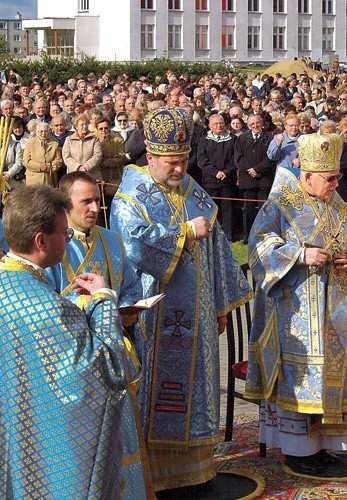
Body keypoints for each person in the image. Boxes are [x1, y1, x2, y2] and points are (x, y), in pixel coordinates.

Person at [109, 107, 253, 493]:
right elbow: (135, 246)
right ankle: (159, 477)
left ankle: (198, 473)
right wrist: (184, 232)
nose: (179, 168)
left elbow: (219, 246)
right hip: (156, 315)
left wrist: (221, 304)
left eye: (184, 159)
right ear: (151, 157)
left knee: (198, 389)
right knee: (160, 392)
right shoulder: (129, 198)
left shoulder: (193, 190)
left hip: (200, 314)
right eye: (172, 162)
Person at [244, 132, 347, 476]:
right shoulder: (281, 203)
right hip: (295, 315)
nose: (336, 183)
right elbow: (257, 249)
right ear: (307, 177)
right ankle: (298, 451)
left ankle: (325, 449)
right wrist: (299, 255)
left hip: (335, 313)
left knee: (331, 380)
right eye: (329, 178)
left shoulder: (336, 204)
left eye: (337, 177)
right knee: (303, 382)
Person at [0, 185, 136, 498]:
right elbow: (107, 372)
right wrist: (103, 299)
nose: (69, 238)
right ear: (41, 240)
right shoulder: (50, 309)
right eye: (65, 233)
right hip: (47, 450)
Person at [46, 172, 153, 498]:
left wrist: (129, 310)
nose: (94, 207)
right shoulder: (53, 247)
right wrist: (100, 308)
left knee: (126, 445)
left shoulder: (111, 240)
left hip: (117, 358)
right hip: (78, 367)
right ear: (66, 205)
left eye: (97, 200)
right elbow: (50, 305)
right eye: (86, 201)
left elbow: (130, 287)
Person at [235, 113, 276, 243]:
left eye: (257, 123)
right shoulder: (242, 139)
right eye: (252, 124)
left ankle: (264, 235)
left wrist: (258, 170)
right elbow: (238, 158)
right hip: (248, 180)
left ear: (262, 123)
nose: (255, 126)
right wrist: (250, 170)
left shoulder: (270, 138)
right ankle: (248, 236)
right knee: (248, 210)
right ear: (248, 125)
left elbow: (271, 158)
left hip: (263, 179)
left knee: (264, 210)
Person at [197, 114, 237, 241]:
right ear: (210, 126)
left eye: (221, 123)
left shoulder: (232, 139)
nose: (219, 126)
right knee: (211, 209)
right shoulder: (204, 140)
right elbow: (202, 160)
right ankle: (210, 234)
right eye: (215, 124)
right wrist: (215, 173)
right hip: (210, 181)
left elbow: (235, 159)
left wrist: (226, 172)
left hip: (227, 180)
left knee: (228, 209)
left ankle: (228, 235)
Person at [62, 114, 103, 180]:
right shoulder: (69, 140)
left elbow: (98, 155)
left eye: (86, 124)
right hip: (74, 175)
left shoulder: (95, 139)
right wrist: (78, 167)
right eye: (82, 124)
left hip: (92, 175)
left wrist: (86, 167)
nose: (85, 126)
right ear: (76, 126)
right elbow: (66, 157)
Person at [23, 121, 63, 187]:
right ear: (37, 132)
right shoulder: (30, 143)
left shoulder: (55, 144)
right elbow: (26, 161)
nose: (43, 133)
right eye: (41, 131)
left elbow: (59, 161)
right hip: (33, 180)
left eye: (46, 131)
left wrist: (48, 167)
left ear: (49, 132)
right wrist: (39, 166)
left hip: (49, 179)